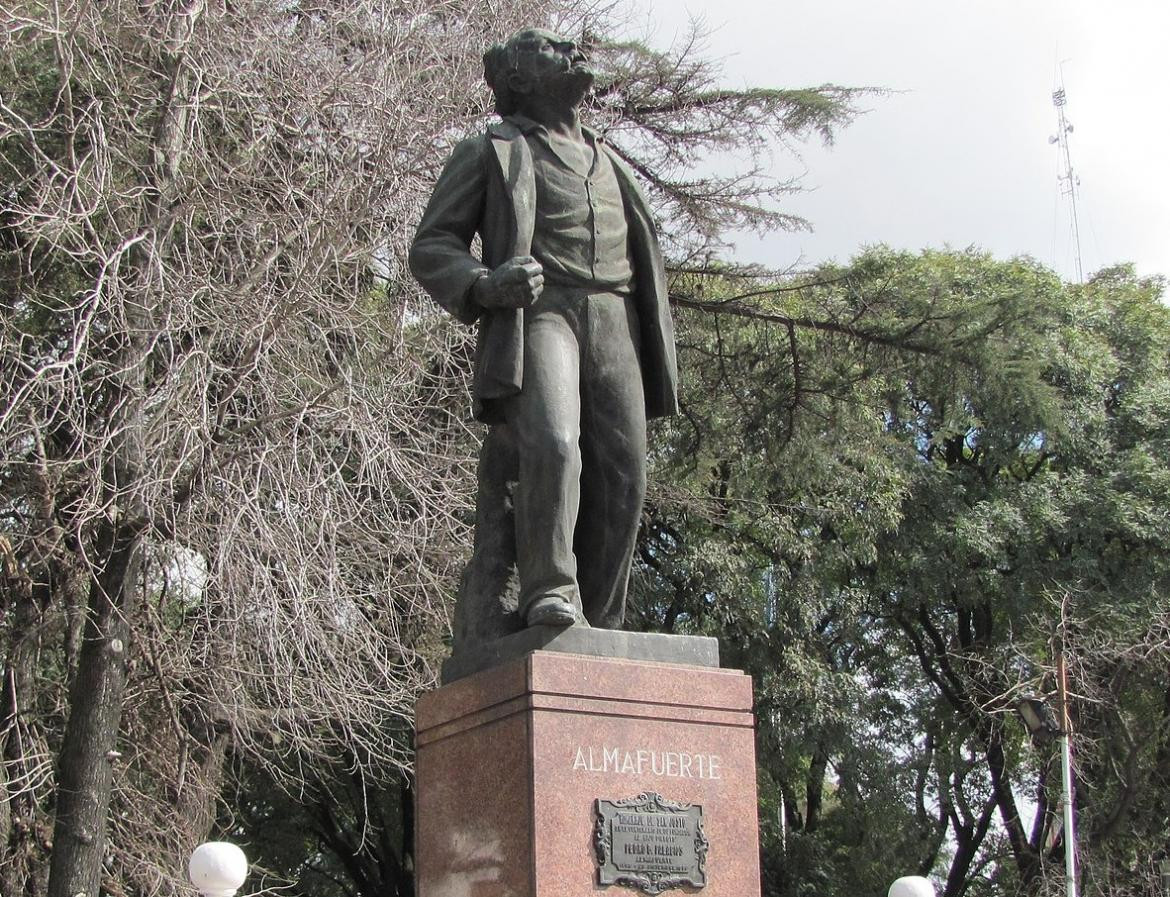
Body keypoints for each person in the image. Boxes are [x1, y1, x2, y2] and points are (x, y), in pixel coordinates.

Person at [409, 27, 678, 635]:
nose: (572, 49)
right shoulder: (492, 150)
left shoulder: (609, 162)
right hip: (540, 312)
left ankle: (603, 619)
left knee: (624, 465)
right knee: (555, 442)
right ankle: (549, 589)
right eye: (551, 47)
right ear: (520, 79)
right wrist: (483, 284)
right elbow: (431, 246)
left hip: (614, 315)